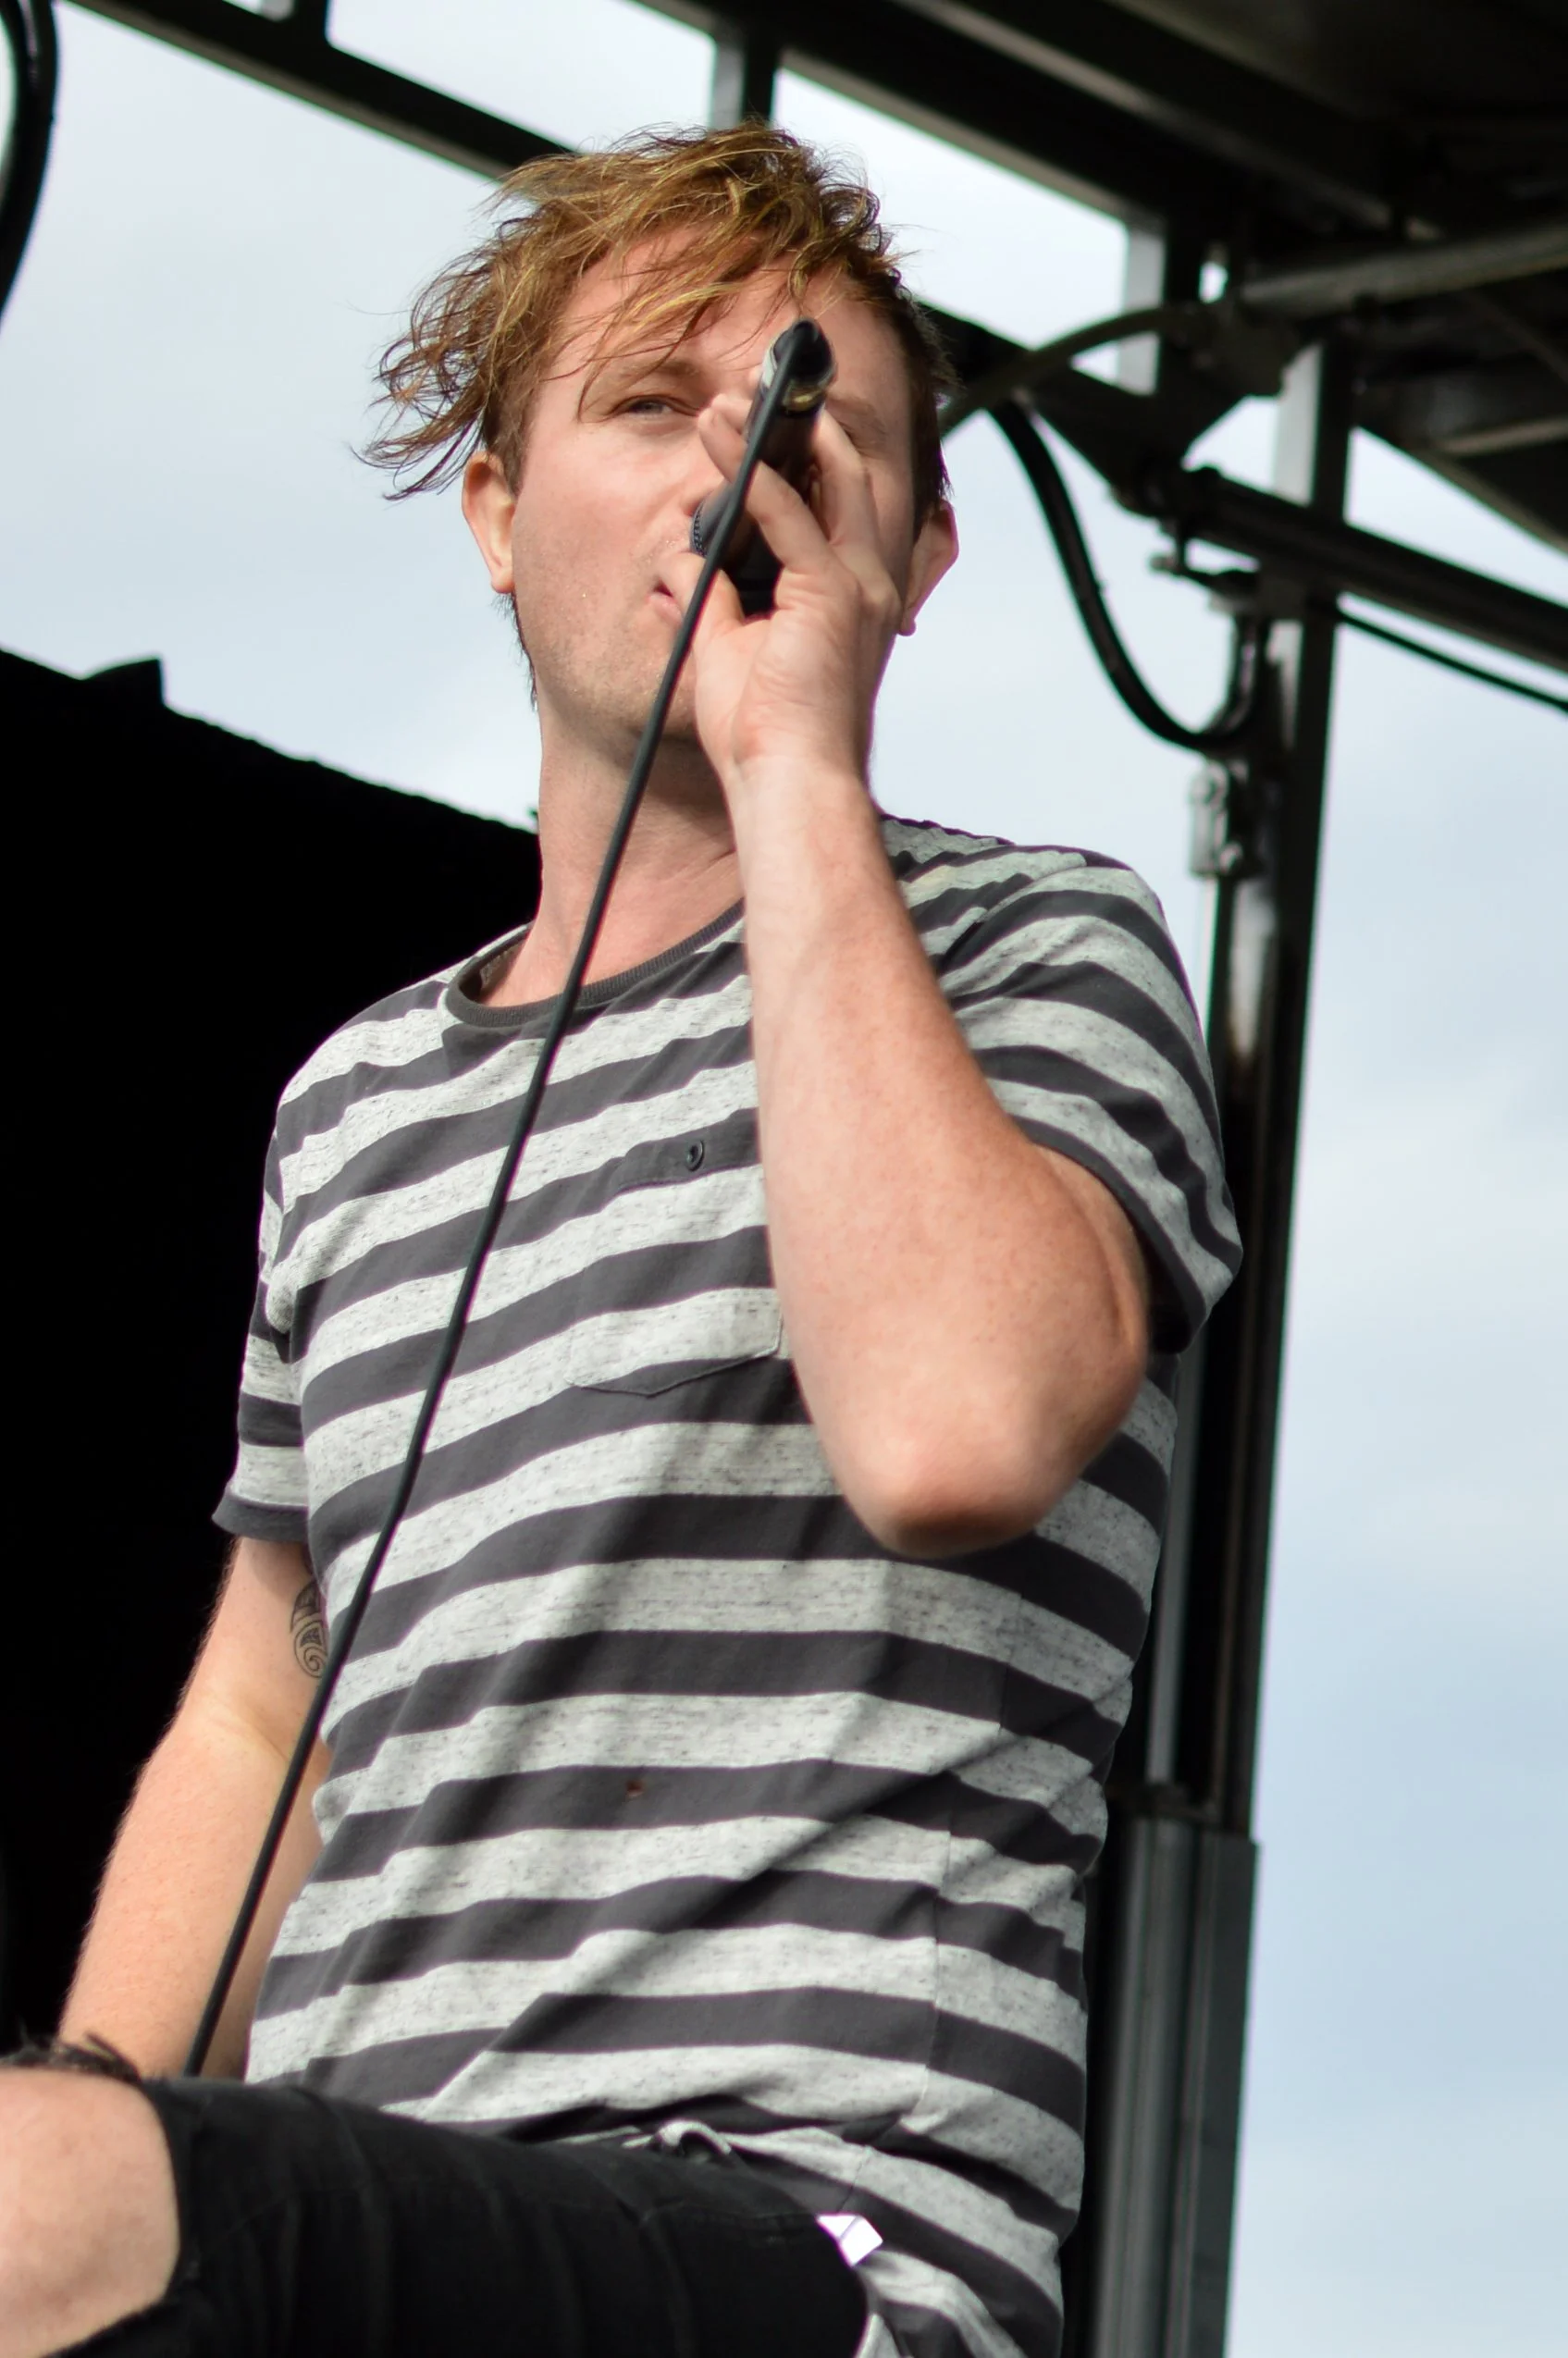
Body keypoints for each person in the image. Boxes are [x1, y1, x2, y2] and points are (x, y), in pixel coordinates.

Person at [0, 127, 1240, 2358]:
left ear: (917, 548)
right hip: (367, 2216)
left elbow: (952, 1430)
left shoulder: (1037, 956)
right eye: (652, 405)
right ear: (494, 512)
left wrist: (793, 762)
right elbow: (260, 1703)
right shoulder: (358, 1104)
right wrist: (82, 2152)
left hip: (809, 2237)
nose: (728, 473)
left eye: (804, 425)